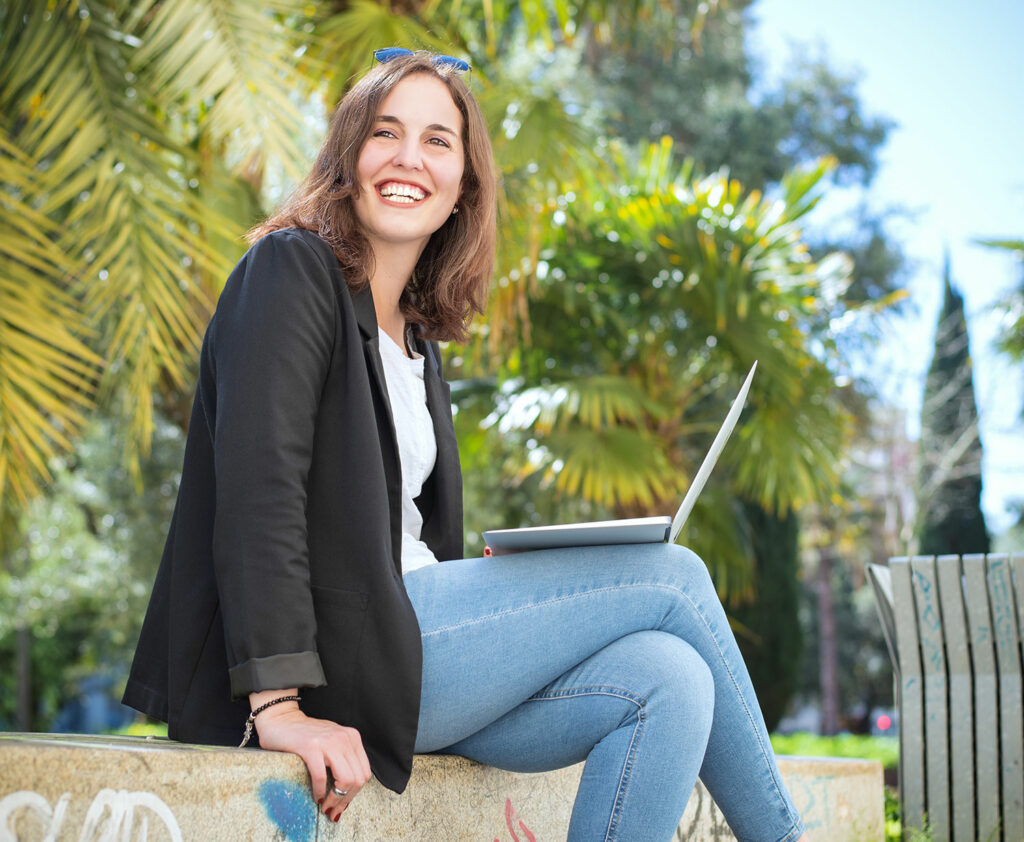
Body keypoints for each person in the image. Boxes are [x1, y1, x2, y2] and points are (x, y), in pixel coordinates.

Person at [123, 49, 808, 842]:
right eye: (386, 133)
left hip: (417, 646)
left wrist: (492, 596)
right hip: (343, 655)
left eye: (438, 141)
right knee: (677, 578)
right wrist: (278, 706)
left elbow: (396, 528)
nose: (409, 158)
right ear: (348, 158)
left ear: (462, 190)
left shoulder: (415, 342)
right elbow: (258, 494)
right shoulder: (291, 270)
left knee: (672, 678)